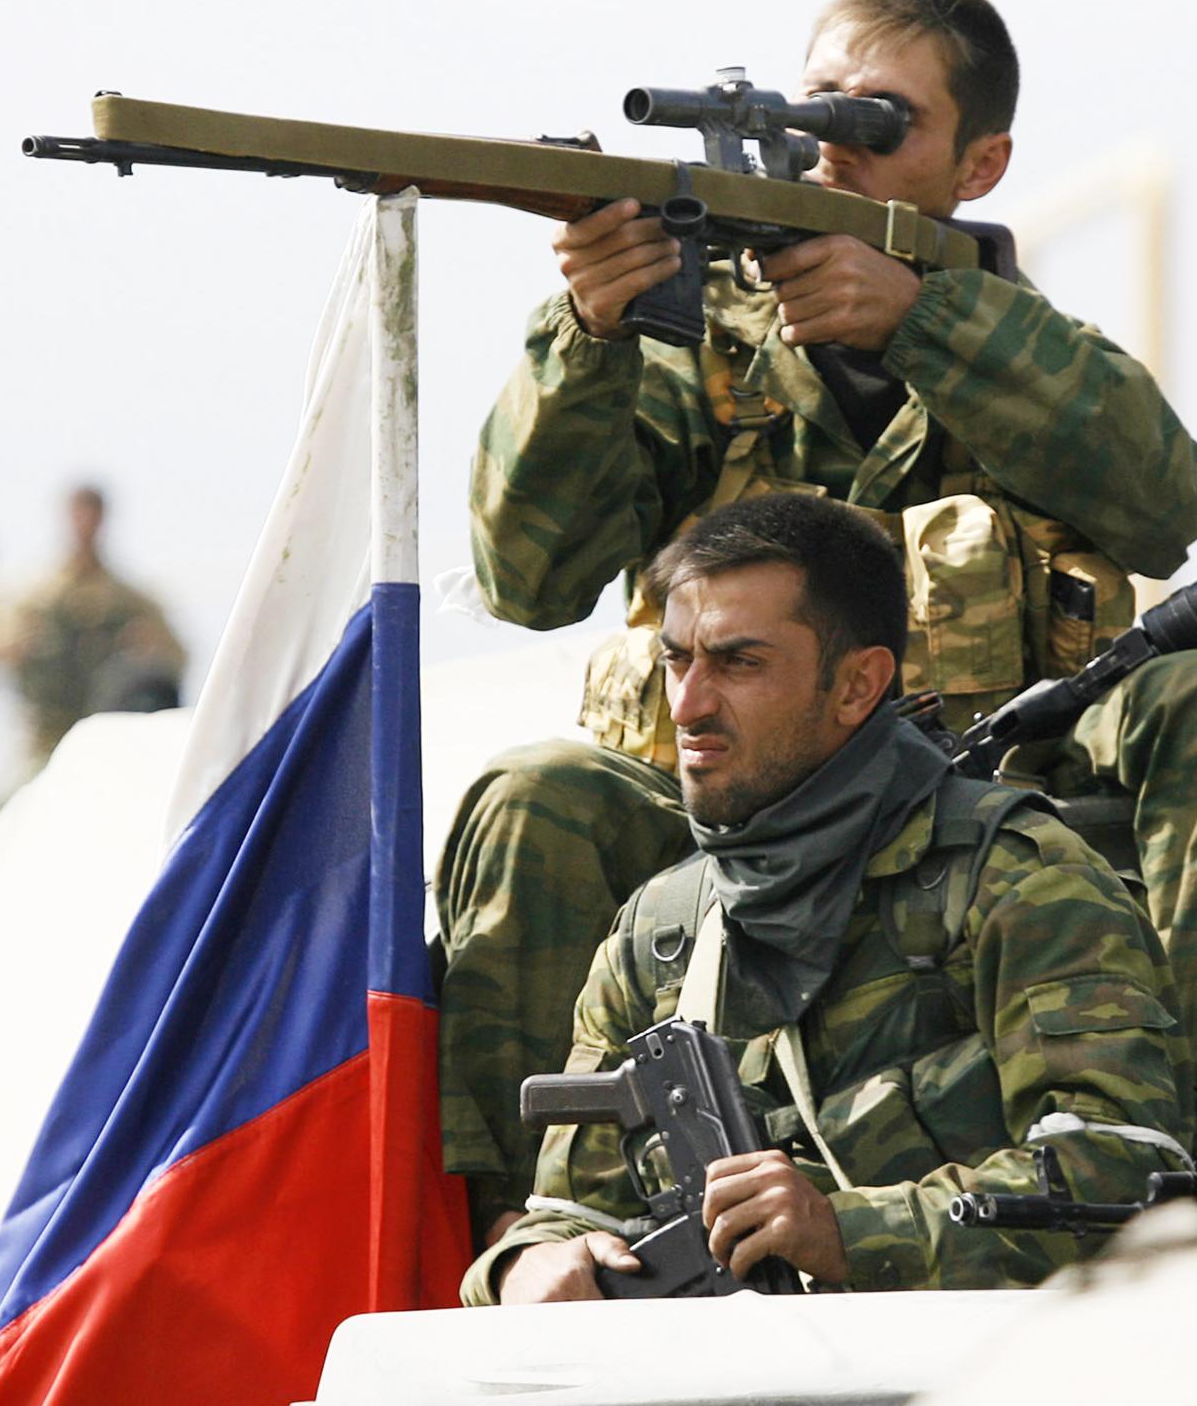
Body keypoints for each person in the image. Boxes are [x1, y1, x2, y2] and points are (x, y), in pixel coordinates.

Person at [439, 0, 1197, 1248]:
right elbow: (527, 579)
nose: (829, 146)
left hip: (978, 828)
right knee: (530, 801)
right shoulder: (701, 352)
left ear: (979, 161)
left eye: (879, 121)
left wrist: (925, 321)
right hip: (722, 841)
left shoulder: (1020, 345)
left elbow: (1159, 506)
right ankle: (529, 1249)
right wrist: (586, 332)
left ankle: (1162, 1169)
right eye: (814, 110)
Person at [469, 494, 1191, 1304]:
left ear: (856, 687)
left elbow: (1129, 1176)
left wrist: (848, 1232)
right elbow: (567, 1210)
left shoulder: (1014, 878)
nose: (689, 706)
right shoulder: (659, 934)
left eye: (740, 663)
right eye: (677, 660)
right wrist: (524, 1264)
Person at [0, 484, 186, 766]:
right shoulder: (36, 595)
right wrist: (15, 644)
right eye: (79, 514)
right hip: (46, 736)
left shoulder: (127, 600)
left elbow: (176, 655)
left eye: (91, 515)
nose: (85, 524)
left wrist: (147, 646)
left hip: (109, 737)